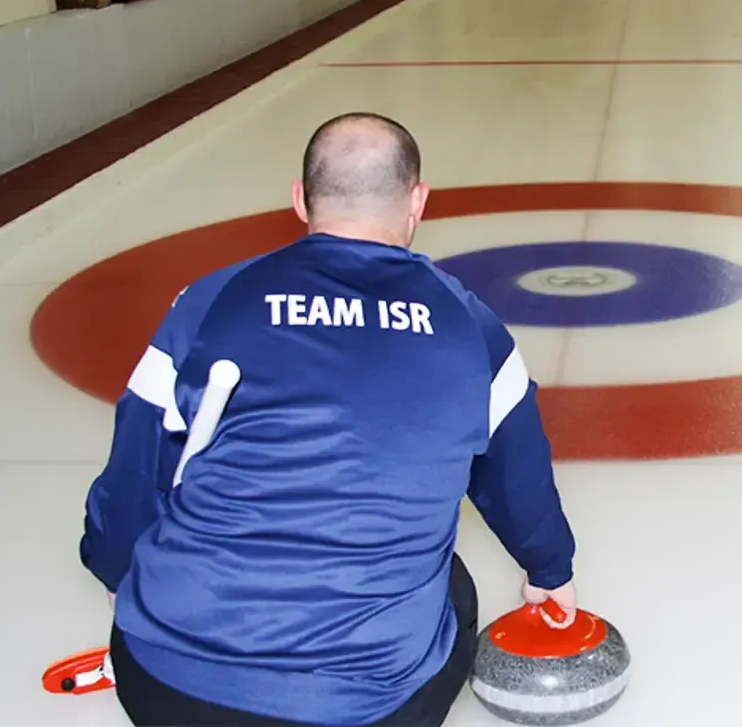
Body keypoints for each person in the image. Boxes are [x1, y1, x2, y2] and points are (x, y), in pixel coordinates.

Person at [79, 112, 577, 727]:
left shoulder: (209, 303)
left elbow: (134, 473)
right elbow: (515, 480)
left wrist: (116, 570)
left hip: (167, 683)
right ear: (418, 201)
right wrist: (550, 571)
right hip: (363, 706)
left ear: (299, 199)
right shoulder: (471, 328)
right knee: (451, 585)